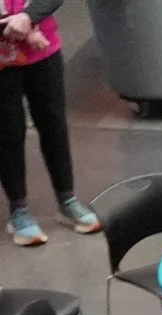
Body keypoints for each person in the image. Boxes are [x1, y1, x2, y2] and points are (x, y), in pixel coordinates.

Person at [0, 0, 96, 248]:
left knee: (54, 125)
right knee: (9, 132)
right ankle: (18, 210)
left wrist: (28, 18)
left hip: (44, 51)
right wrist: (24, 29)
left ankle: (67, 200)